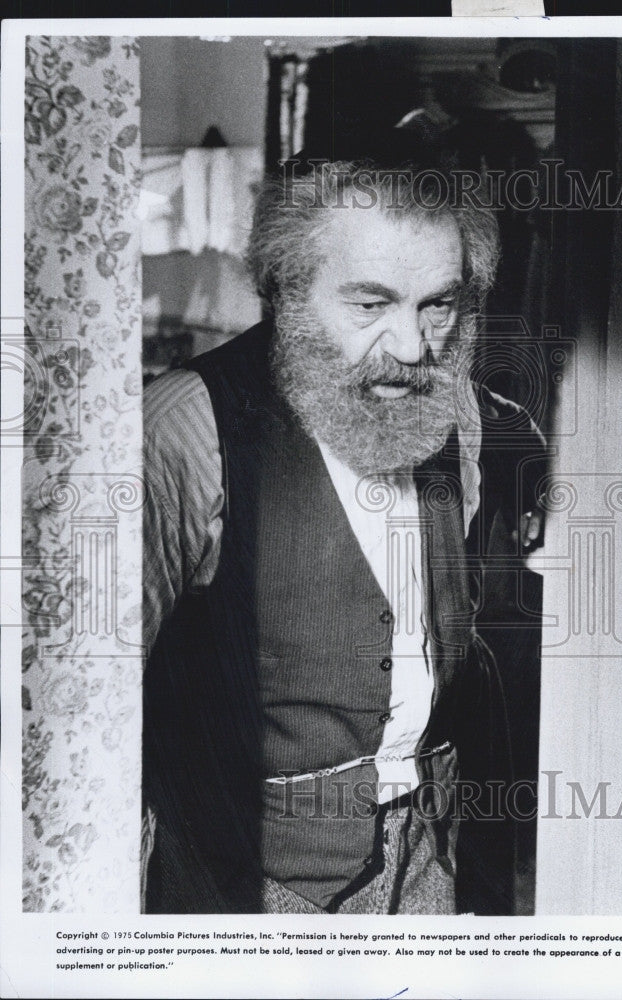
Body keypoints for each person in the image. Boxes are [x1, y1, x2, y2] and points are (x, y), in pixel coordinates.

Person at [141, 136, 546, 915]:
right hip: (250, 885)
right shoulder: (186, 428)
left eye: (440, 304)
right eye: (369, 303)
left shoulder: (456, 410)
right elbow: (90, 704)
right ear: (287, 291)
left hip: (429, 856)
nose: (410, 347)